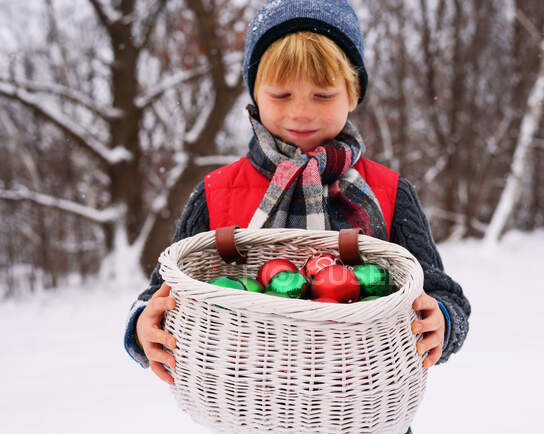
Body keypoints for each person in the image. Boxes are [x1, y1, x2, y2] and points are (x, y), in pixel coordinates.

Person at [124, 0, 470, 432]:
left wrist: (444, 319)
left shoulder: (388, 192)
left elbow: (440, 291)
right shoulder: (215, 193)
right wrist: (141, 327)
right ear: (255, 93)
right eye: (281, 94)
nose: (301, 112)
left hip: (364, 408)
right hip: (247, 405)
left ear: (353, 94)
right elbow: (161, 294)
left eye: (323, 95)